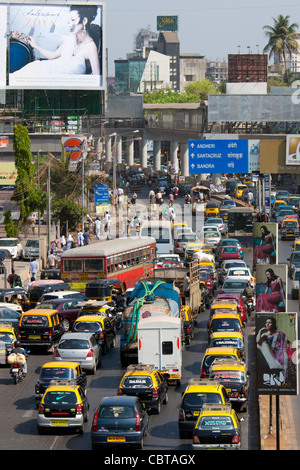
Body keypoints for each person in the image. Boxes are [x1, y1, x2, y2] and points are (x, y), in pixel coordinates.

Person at [10, 5, 101, 80]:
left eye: (73, 20)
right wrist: (35, 46)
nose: (69, 25)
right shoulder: (71, 39)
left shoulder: (91, 48)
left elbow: (96, 79)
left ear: (84, 21)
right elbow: (52, 56)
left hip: (58, 82)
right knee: (19, 76)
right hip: (45, 71)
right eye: (68, 21)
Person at [256, 316, 296, 383]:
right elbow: (258, 342)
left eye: (270, 322)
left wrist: (292, 348)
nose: (267, 324)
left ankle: (284, 380)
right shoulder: (265, 335)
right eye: (266, 323)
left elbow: (289, 342)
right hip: (273, 355)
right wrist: (260, 331)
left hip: (281, 353)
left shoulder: (280, 333)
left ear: (273, 324)